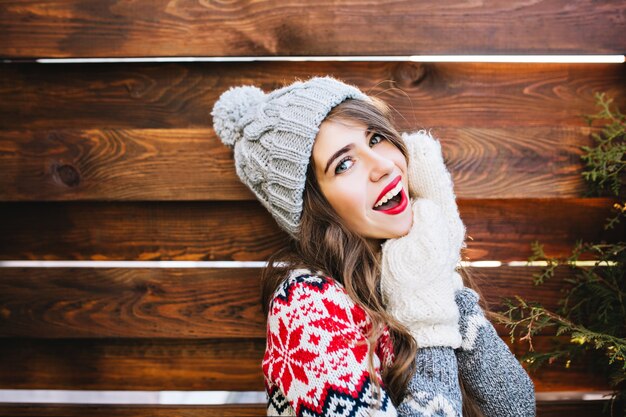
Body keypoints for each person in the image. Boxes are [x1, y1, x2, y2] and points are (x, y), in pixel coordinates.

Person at [211, 75, 536, 417]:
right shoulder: (307, 309)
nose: (382, 166)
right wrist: (430, 326)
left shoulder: (404, 266)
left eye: (376, 138)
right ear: (315, 206)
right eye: (344, 164)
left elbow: (513, 407)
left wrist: (440, 262)